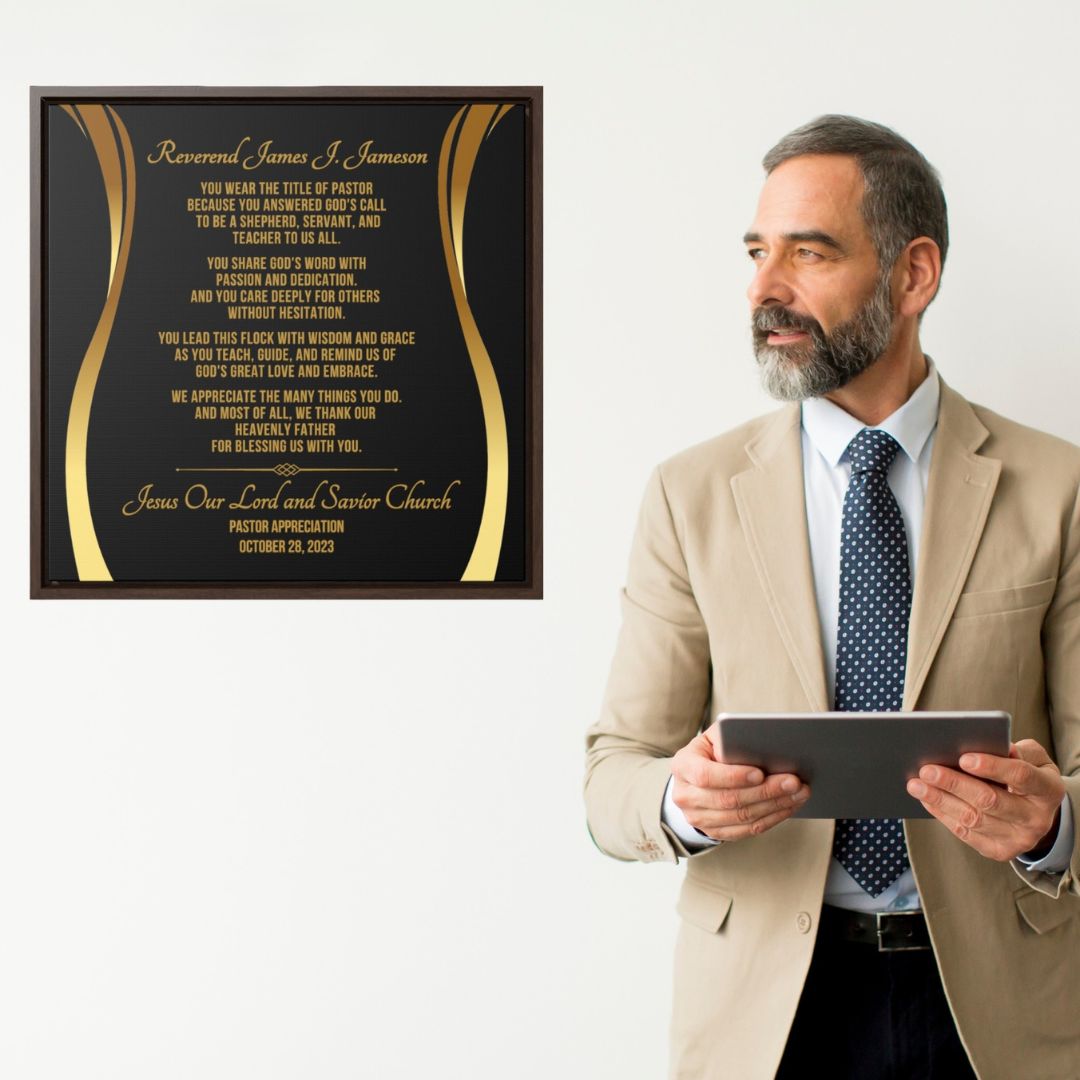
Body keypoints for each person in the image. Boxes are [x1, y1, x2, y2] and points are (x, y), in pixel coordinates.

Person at [584, 115, 1080, 1080]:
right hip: (763, 1019)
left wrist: (1053, 827)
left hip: (996, 1014)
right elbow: (611, 776)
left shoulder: (1059, 490)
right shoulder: (690, 495)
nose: (765, 289)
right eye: (758, 253)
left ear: (914, 275)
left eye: (808, 253)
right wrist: (682, 803)